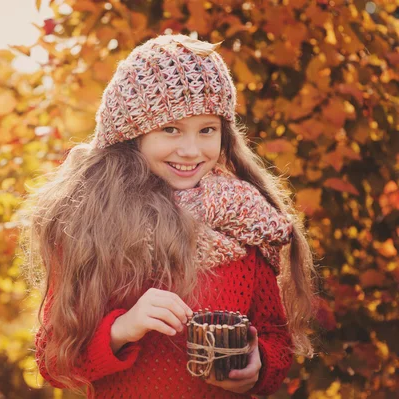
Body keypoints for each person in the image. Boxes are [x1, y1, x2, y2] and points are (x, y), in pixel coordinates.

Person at [20, 34, 317, 399]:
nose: (191, 150)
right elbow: (53, 359)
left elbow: (275, 334)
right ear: (131, 134)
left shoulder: (245, 220)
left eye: (207, 129)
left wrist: (259, 367)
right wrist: (123, 329)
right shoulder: (95, 224)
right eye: (170, 129)